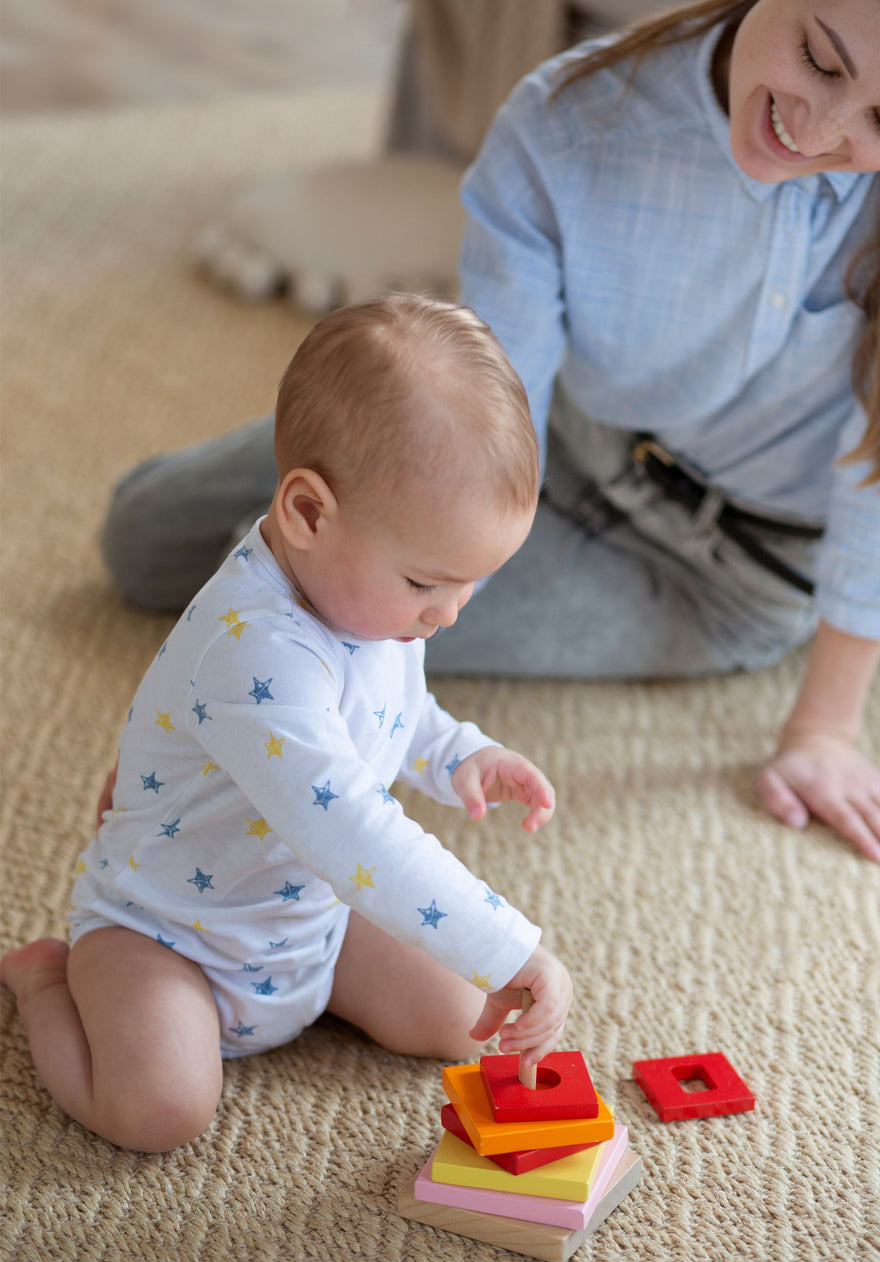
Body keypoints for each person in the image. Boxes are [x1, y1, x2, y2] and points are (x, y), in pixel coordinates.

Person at [101, 0, 880, 863]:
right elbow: (486, 412)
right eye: (819, 59)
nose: (820, 131)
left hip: (727, 573)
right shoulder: (570, 121)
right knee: (146, 540)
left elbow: (872, 479)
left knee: (297, 606)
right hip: (547, 456)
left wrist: (825, 727)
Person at [0, 295, 573, 1153]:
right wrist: (511, 948)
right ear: (307, 512)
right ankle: (48, 979)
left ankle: (318, 990)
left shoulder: (366, 599)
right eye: (427, 583)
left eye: (467, 586)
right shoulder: (252, 650)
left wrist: (460, 752)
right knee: (159, 1111)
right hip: (169, 934)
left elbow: (390, 711)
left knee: (462, 1018)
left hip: (310, 915)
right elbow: (352, 827)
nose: (448, 614)